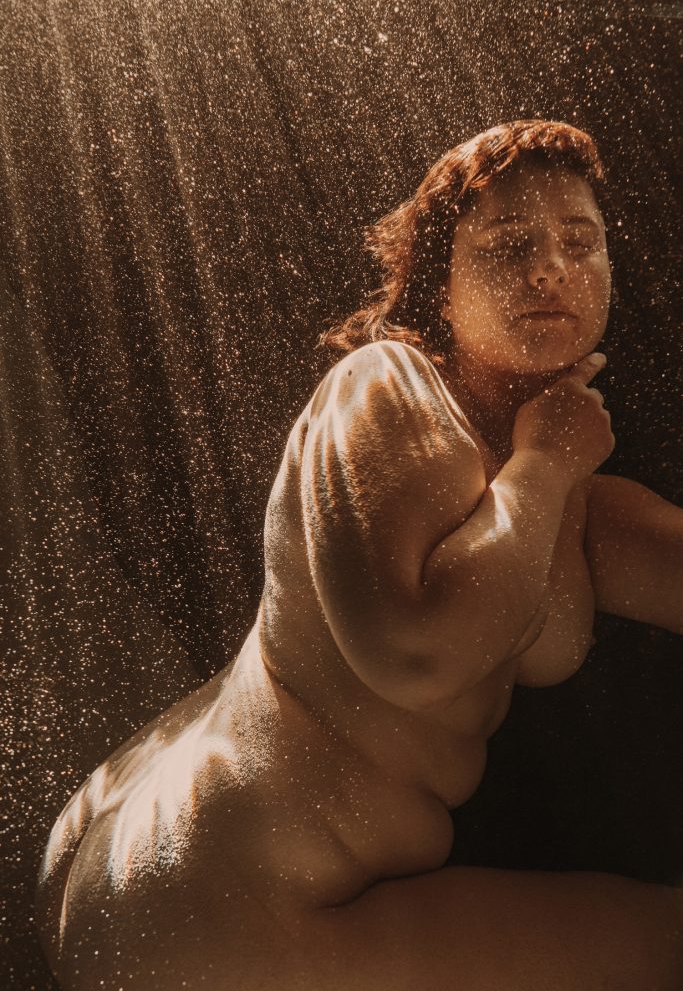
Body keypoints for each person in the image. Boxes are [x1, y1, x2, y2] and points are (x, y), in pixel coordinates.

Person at [36, 120, 683, 990]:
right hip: (231, 903)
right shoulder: (387, 385)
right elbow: (415, 654)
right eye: (508, 244)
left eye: (581, 241)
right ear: (439, 288)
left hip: (202, 881)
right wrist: (546, 461)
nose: (549, 269)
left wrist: (548, 466)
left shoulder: (563, 493)